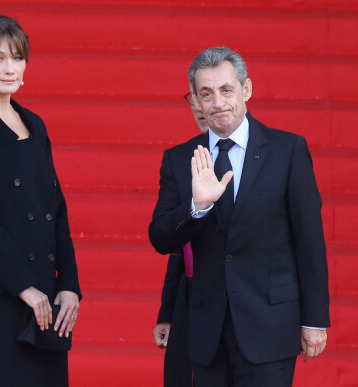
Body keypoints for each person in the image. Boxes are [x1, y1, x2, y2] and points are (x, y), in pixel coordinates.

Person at [149, 47, 330, 386]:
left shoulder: (287, 151)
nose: (217, 102)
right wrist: (196, 208)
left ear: (246, 90)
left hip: (271, 326)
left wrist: (315, 320)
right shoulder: (179, 159)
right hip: (204, 331)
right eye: (206, 94)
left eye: (226, 90)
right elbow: (161, 238)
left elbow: (310, 242)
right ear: (195, 101)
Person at [0, 15, 81, 386]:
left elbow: (56, 209)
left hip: (45, 299)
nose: (10, 68)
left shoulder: (35, 123)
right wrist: (24, 286)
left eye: (17, 58)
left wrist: (68, 283)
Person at [152, 91, 208, 387]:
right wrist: (168, 312)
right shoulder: (181, 158)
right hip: (190, 299)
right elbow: (178, 246)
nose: (200, 106)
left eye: (208, 95)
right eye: (195, 96)